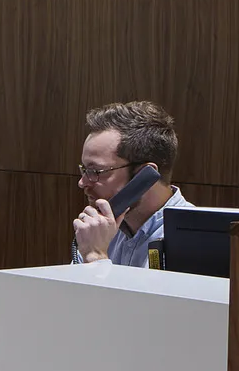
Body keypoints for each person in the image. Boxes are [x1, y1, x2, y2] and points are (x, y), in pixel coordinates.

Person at [71, 100, 195, 267]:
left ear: (144, 177)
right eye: (85, 170)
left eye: (95, 171)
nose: (82, 182)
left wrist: (96, 257)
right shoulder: (102, 229)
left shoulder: (194, 239)